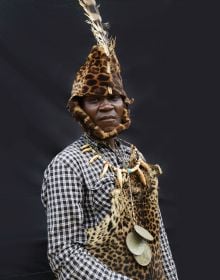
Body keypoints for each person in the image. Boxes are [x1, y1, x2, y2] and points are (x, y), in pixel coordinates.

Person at [41, 1, 178, 279]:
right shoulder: (68, 165)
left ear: (124, 104)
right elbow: (64, 254)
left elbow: (158, 236)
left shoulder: (134, 159)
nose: (106, 106)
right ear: (81, 109)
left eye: (113, 97)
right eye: (94, 99)